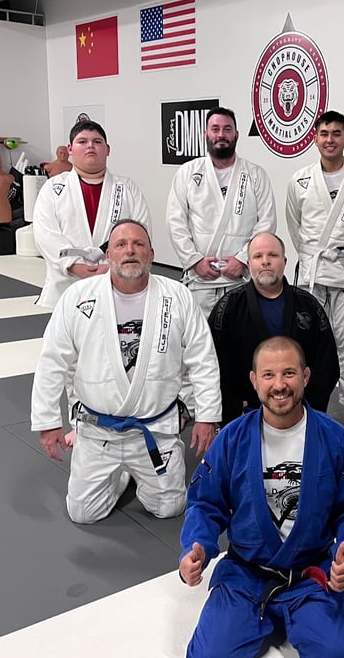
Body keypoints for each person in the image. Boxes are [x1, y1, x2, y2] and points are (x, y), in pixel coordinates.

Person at [180, 336, 344, 658]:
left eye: (289, 373)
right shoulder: (232, 438)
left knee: (338, 653)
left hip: (312, 573)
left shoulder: (333, 438)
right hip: (246, 573)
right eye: (268, 375)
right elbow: (205, 502)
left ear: (306, 376)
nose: (279, 385)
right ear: (254, 381)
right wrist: (196, 545)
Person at [31, 220, 221, 524]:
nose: (130, 250)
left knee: (170, 507)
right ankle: (119, 476)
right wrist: (48, 421)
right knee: (82, 513)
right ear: (108, 256)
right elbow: (52, 360)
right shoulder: (78, 296)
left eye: (138, 244)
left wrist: (207, 416)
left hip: (155, 430)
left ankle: (136, 472)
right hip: (98, 432)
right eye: (120, 245)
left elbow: (203, 358)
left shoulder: (177, 296)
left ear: (151, 254)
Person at [286, 111, 344, 408]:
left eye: (336, 134)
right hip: (312, 275)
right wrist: (310, 254)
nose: (330, 140)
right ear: (315, 139)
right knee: (307, 342)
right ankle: (306, 404)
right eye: (324, 134)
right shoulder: (300, 180)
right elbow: (294, 226)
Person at [209, 232, 339, 424]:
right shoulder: (228, 307)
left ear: (284, 262)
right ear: (248, 264)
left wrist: (306, 407)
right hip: (245, 414)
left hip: (298, 411)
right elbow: (213, 363)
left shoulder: (308, 305)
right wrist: (232, 406)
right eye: (258, 256)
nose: (265, 261)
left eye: (273, 255)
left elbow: (327, 363)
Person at [166, 106, 277, 318]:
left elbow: (266, 223)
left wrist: (243, 259)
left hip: (241, 278)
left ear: (237, 135)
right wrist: (195, 261)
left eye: (227, 129)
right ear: (205, 134)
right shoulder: (188, 172)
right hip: (200, 280)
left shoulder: (255, 175)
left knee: (241, 334)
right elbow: (175, 222)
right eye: (215, 129)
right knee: (201, 335)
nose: (221, 135)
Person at [32, 120, 151, 309]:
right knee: (66, 325)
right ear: (70, 149)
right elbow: (45, 233)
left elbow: (141, 233)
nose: (90, 146)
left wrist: (113, 266)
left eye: (97, 141)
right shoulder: (53, 188)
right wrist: (74, 265)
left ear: (107, 149)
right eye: (82, 141)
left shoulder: (127, 188)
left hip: (117, 278)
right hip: (66, 281)